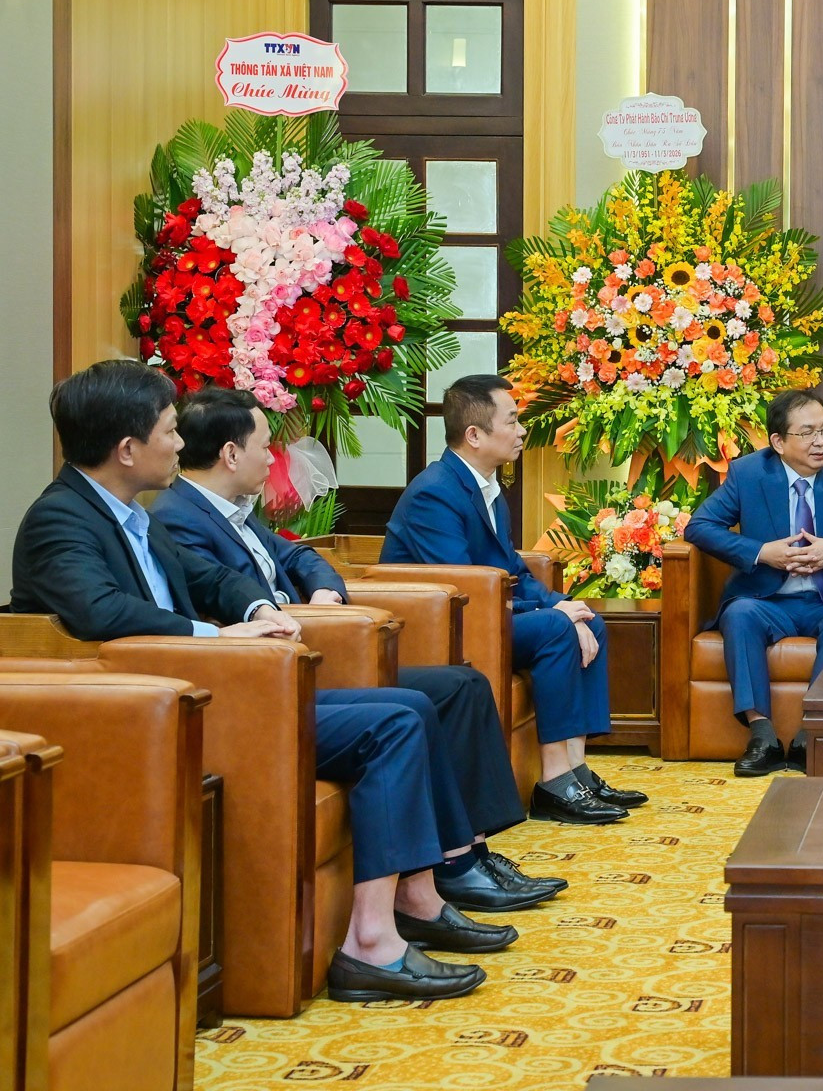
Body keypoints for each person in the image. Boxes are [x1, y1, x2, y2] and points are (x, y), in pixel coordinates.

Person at [10, 360, 507, 1002]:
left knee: (412, 703)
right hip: (152, 714)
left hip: (218, 690)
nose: (180, 445)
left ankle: (416, 897)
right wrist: (218, 637)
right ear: (128, 450)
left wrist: (257, 611)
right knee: (394, 722)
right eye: (168, 431)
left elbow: (212, 577)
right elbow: (101, 612)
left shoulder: (137, 513)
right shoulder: (61, 521)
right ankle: (374, 944)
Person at [151, 386, 565, 912]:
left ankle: (470, 851)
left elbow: (301, 559)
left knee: (462, 684)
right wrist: (274, 610)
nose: (273, 458)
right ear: (231, 454)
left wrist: (325, 589)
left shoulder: (234, 510)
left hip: (313, 646)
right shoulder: (180, 517)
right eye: (263, 445)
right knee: (419, 704)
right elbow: (223, 596)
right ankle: (457, 865)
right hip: (270, 668)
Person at [382, 374, 644, 825]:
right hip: (446, 627)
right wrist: (548, 612)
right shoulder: (435, 493)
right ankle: (554, 784)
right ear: (474, 435)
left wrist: (559, 604)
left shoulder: (488, 489)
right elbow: (464, 589)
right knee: (556, 626)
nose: (522, 430)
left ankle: (577, 770)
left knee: (586, 618)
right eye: (513, 420)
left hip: (488, 614)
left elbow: (514, 574)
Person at [684, 389, 823, 777]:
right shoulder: (749, 473)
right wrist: (761, 553)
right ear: (778, 442)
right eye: (808, 433)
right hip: (767, 600)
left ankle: (813, 736)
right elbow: (700, 527)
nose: (821, 441)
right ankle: (762, 736)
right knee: (739, 614)